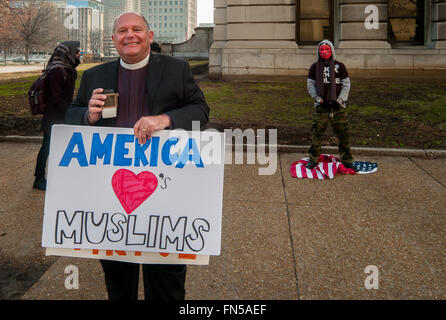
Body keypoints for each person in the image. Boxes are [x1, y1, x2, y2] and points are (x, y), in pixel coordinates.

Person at [65, 12, 209, 300]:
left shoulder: (176, 69)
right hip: (112, 198)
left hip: (165, 197)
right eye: (122, 31)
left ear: (150, 36)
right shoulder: (94, 75)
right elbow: (70, 114)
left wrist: (165, 119)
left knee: (166, 284)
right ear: (114, 40)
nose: (129, 35)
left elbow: (201, 112)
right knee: (118, 283)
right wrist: (88, 116)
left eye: (136, 29)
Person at [33, 41, 80, 190]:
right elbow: (55, 97)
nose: (79, 54)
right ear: (68, 53)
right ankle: (39, 178)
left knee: (59, 147)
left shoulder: (66, 69)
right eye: (77, 52)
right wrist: (70, 112)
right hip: (54, 117)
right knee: (47, 147)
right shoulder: (57, 71)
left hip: (61, 115)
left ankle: (58, 176)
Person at [306, 39, 356, 171]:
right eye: (321, 50)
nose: (324, 52)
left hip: (338, 106)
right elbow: (310, 84)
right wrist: (316, 98)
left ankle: (347, 160)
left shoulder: (340, 66)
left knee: (343, 134)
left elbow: (346, 84)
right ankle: (313, 159)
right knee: (316, 133)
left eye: (327, 49)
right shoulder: (314, 67)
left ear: (332, 51)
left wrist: (341, 99)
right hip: (321, 106)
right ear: (318, 51)